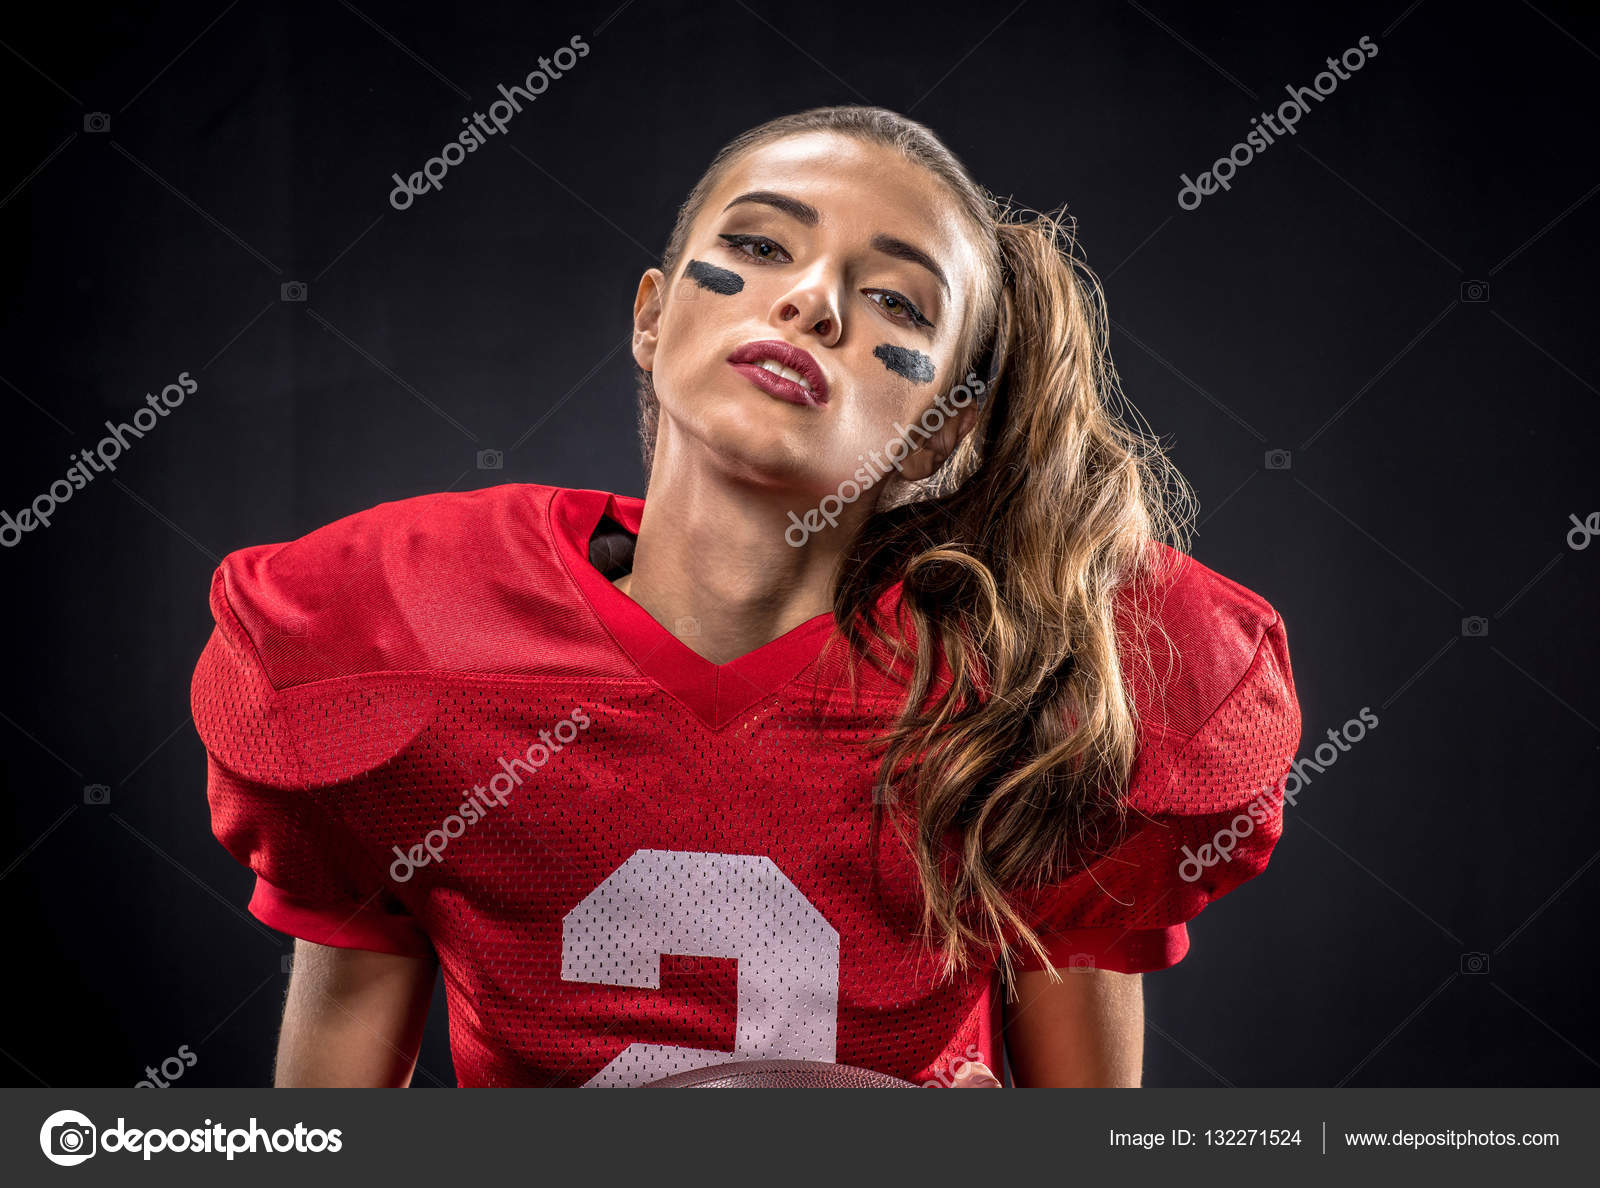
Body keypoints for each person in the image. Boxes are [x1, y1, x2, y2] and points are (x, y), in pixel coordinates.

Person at [191, 105, 1301, 1088]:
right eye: (759, 245)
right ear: (650, 317)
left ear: (941, 429)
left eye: (897, 305)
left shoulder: (1039, 674)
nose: (812, 301)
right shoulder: (396, 633)